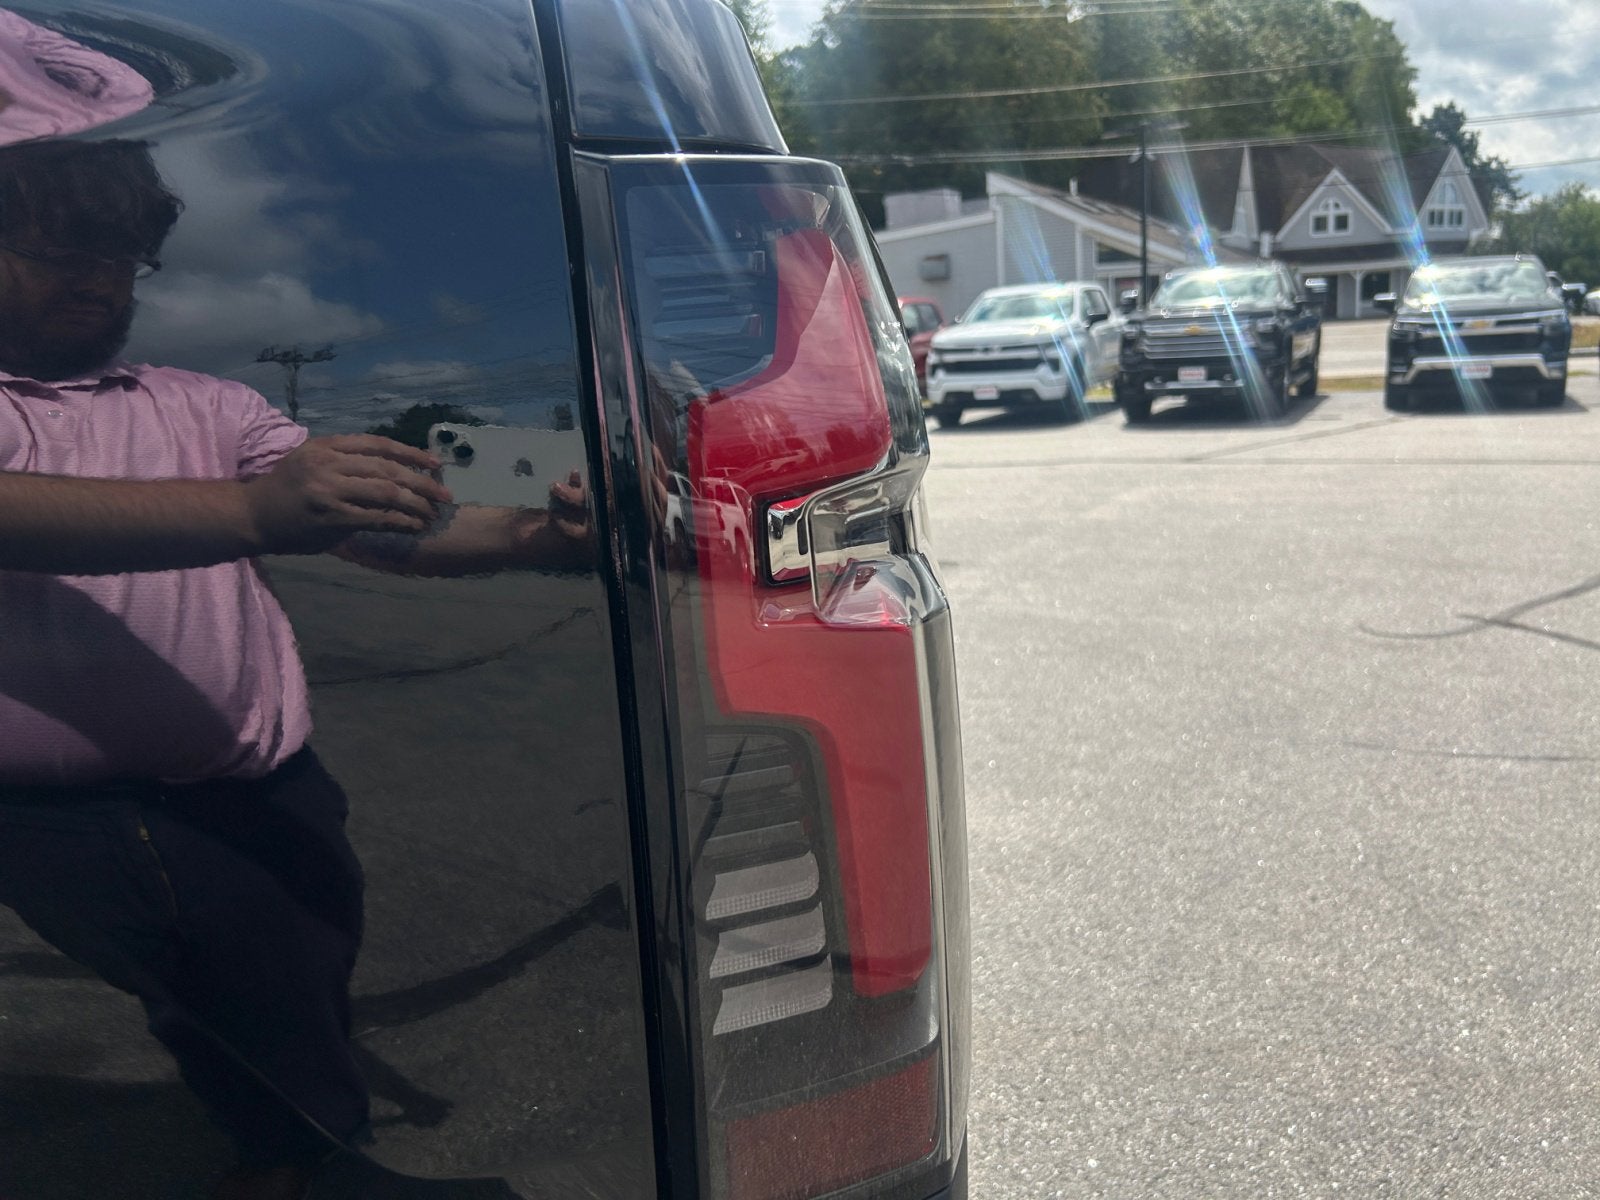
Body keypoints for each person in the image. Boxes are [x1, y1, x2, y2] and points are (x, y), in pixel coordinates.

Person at [0, 136, 590, 1200]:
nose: (94, 272)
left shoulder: (208, 406)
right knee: (92, 1038)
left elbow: (369, 528)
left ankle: (297, 1161)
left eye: (121, 252)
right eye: (51, 244)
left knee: (291, 1002)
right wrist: (250, 513)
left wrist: (532, 539)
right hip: (37, 832)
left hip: (255, 806)